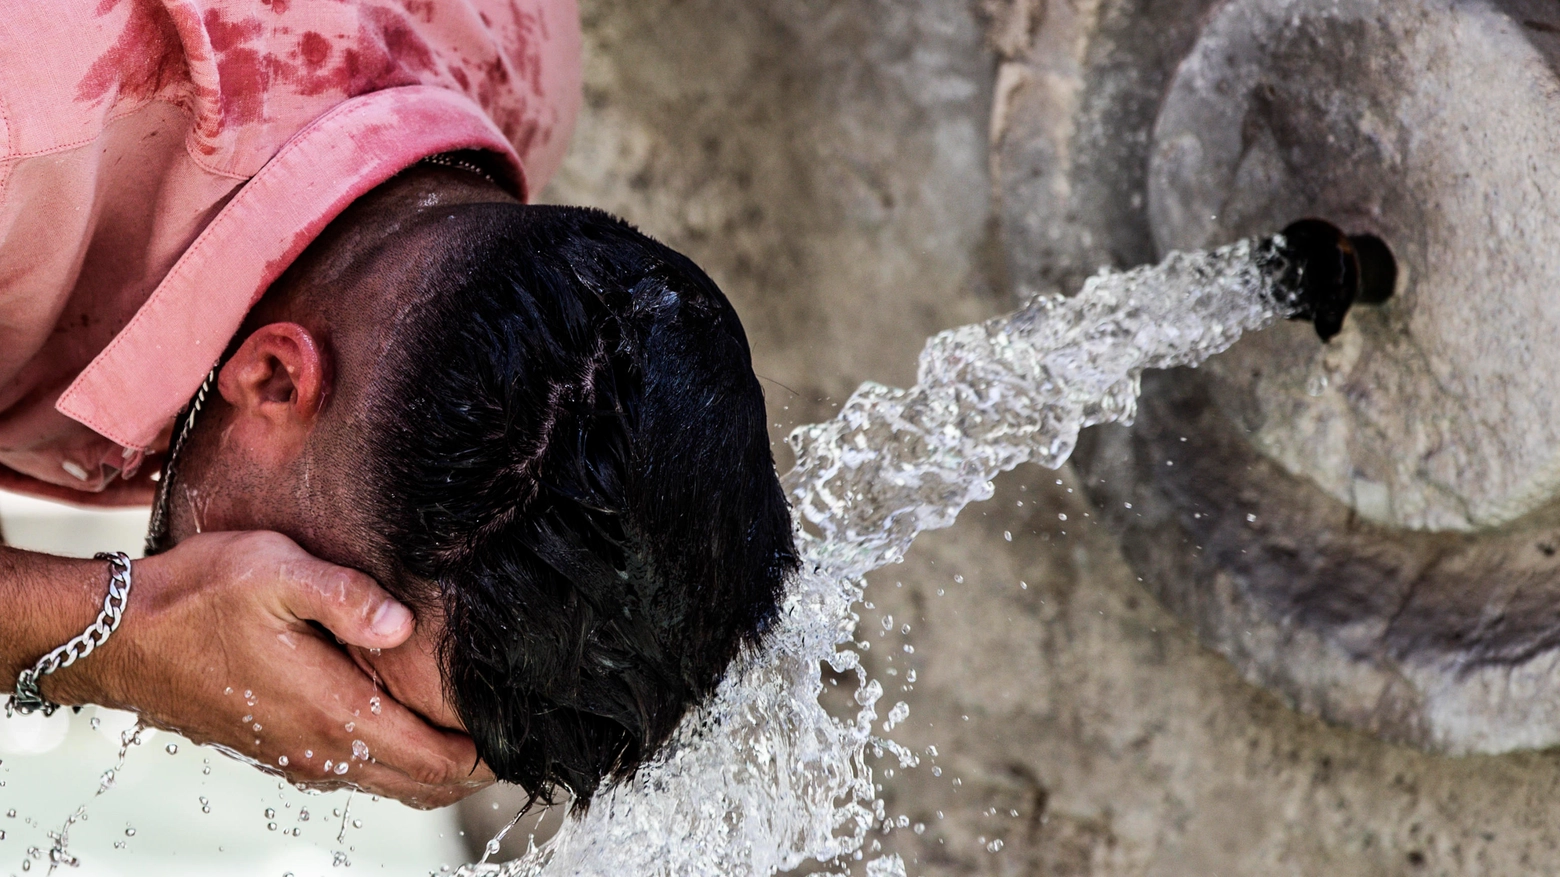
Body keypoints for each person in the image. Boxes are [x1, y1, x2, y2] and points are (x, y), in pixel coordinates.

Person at [0, 0, 798, 811]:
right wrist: (111, 633)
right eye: (330, 628)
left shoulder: (513, 73)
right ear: (275, 378)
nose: (296, 698)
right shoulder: (21, 137)